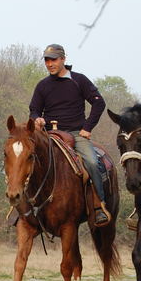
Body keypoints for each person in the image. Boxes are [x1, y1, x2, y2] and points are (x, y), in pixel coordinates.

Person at [29, 44, 111, 226]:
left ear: (63, 59)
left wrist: (88, 127)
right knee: (26, 159)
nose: (50, 64)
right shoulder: (43, 85)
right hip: (50, 134)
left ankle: (99, 206)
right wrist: (37, 119)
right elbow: (34, 110)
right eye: (47, 60)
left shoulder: (79, 80)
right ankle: (23, 209)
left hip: (76, 133)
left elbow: (99, 103)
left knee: (91, 161)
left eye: (53, 59)